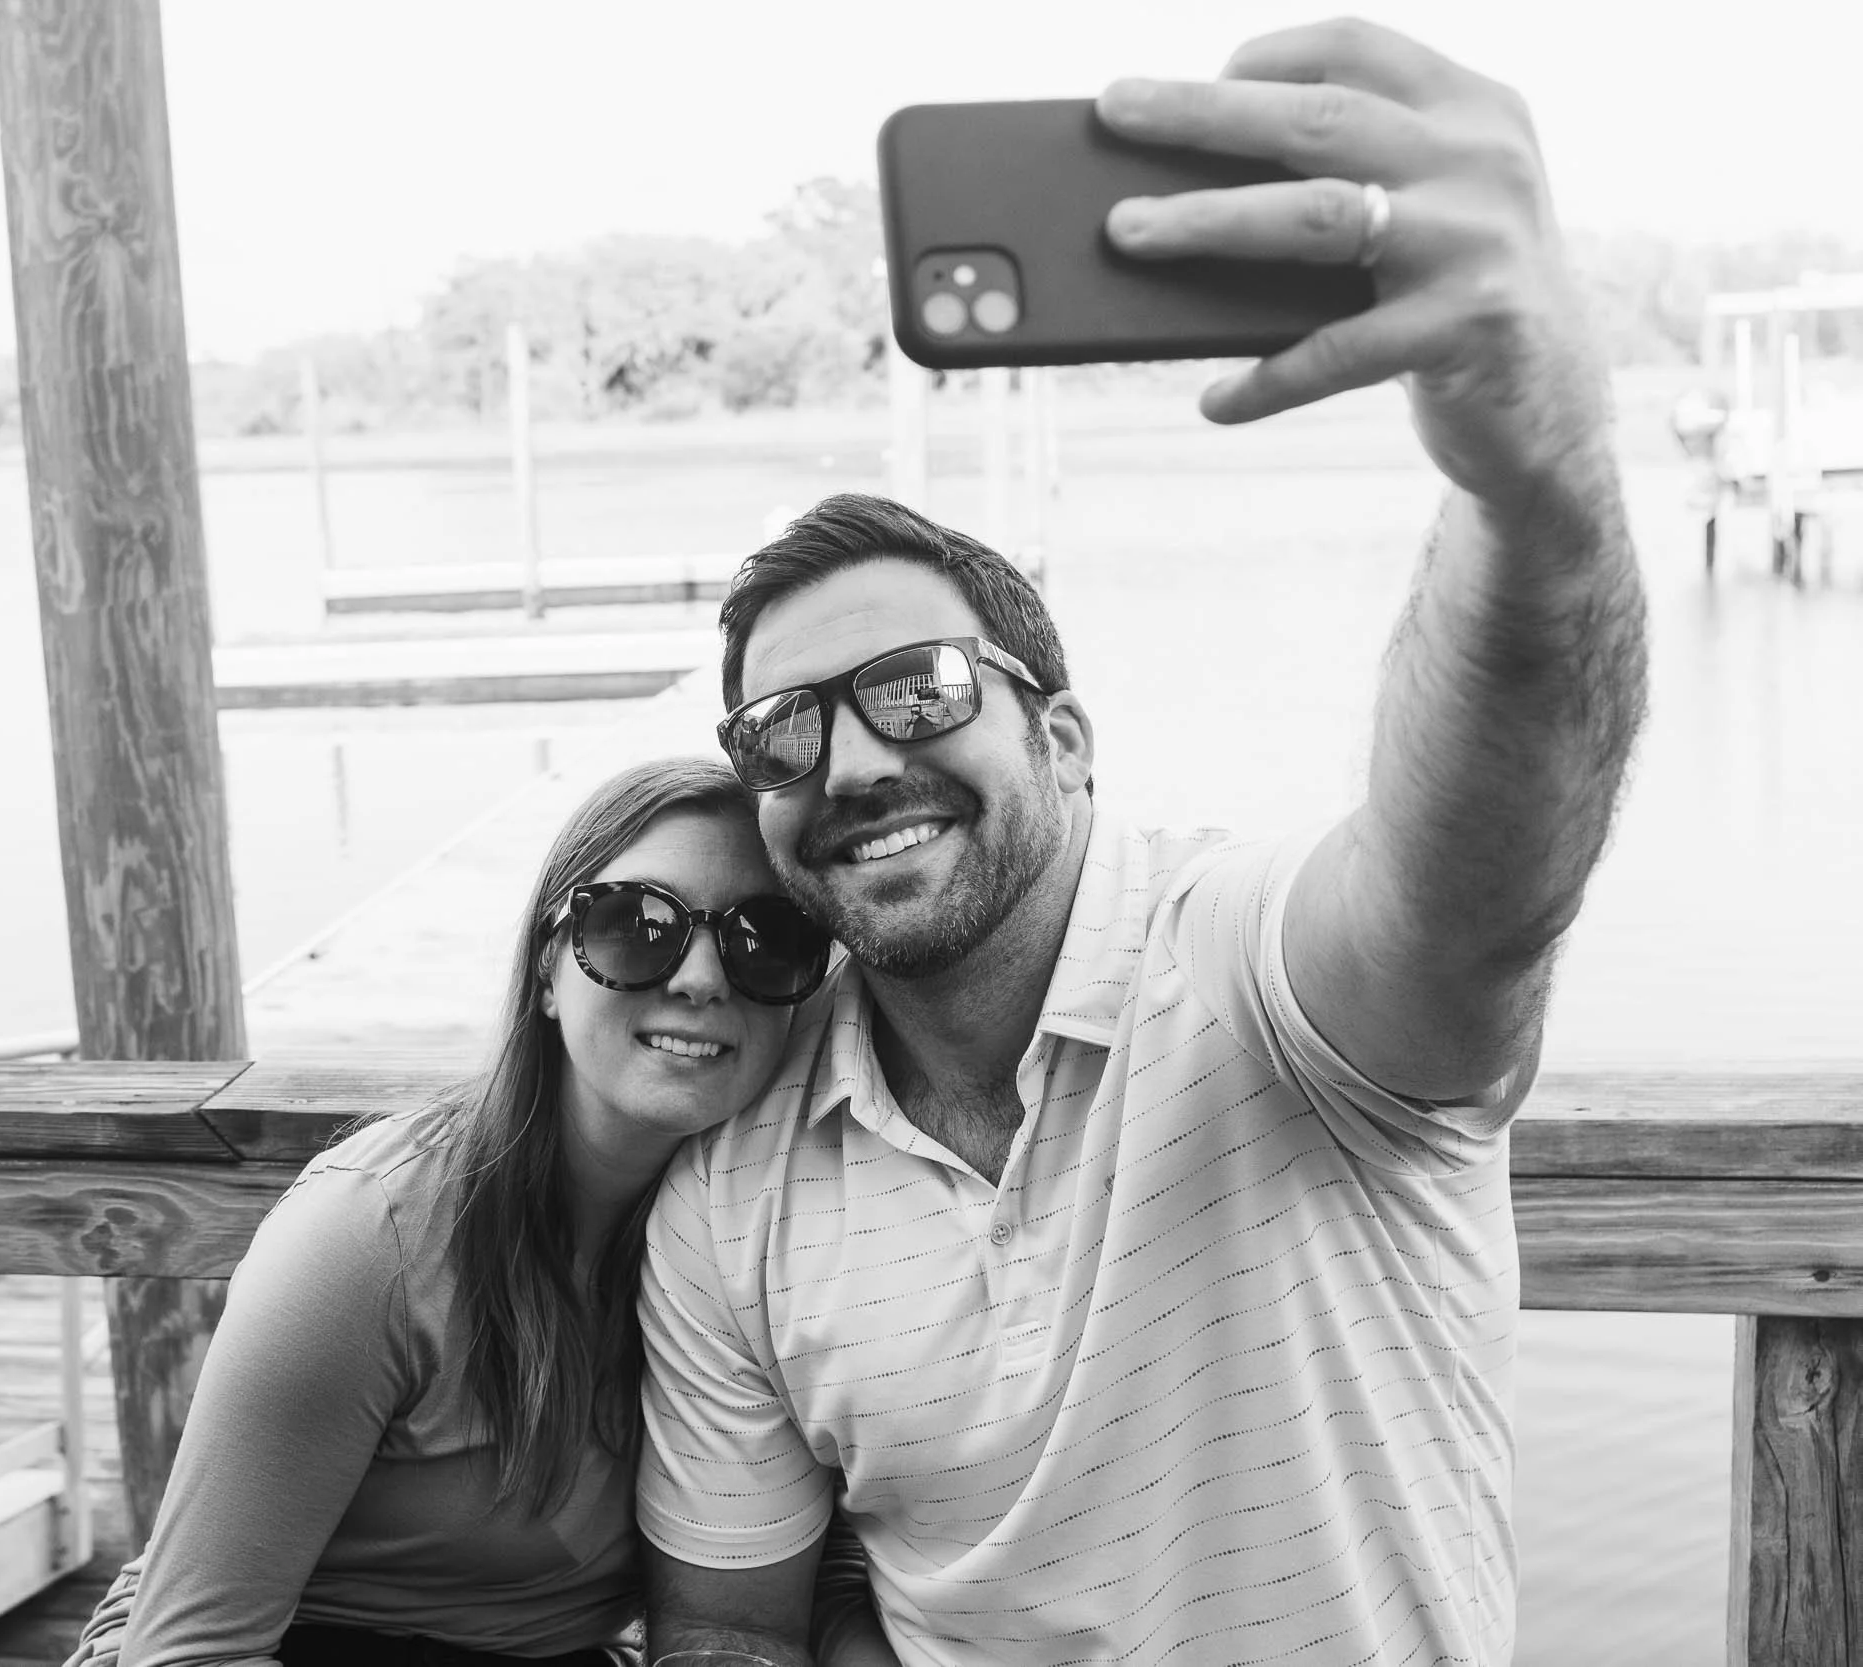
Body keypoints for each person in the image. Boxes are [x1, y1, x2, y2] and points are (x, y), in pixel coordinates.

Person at [638, 19, 1647, 1667]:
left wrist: (1535, 488)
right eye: (782, 729)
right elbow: (726, 1630)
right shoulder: (736, 1188)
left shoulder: (1255, 979)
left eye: (917, 687)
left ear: (1064, 739)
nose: (854, 761)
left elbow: (1476, 891)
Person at [63, 757, 857, 1666]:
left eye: (767, 939)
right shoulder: (370, 1239)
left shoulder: (763, 1244)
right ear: (548, 969)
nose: (702, 978)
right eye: (638, 925)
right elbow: (186, 1649)